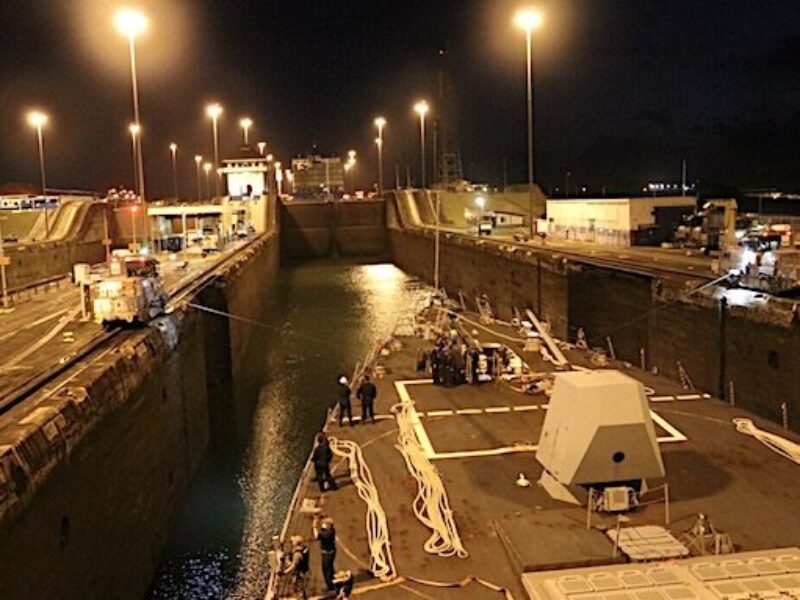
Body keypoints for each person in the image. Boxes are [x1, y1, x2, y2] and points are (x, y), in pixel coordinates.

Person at [312, 516, 337, 591]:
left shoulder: (327, 534)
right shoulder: (331, 530)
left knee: (326, 570)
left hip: (327, 554)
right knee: (330, 568)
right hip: (331, 552)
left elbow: (317, 536)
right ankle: (333, 582)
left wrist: (314, 526)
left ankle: (330, 586)